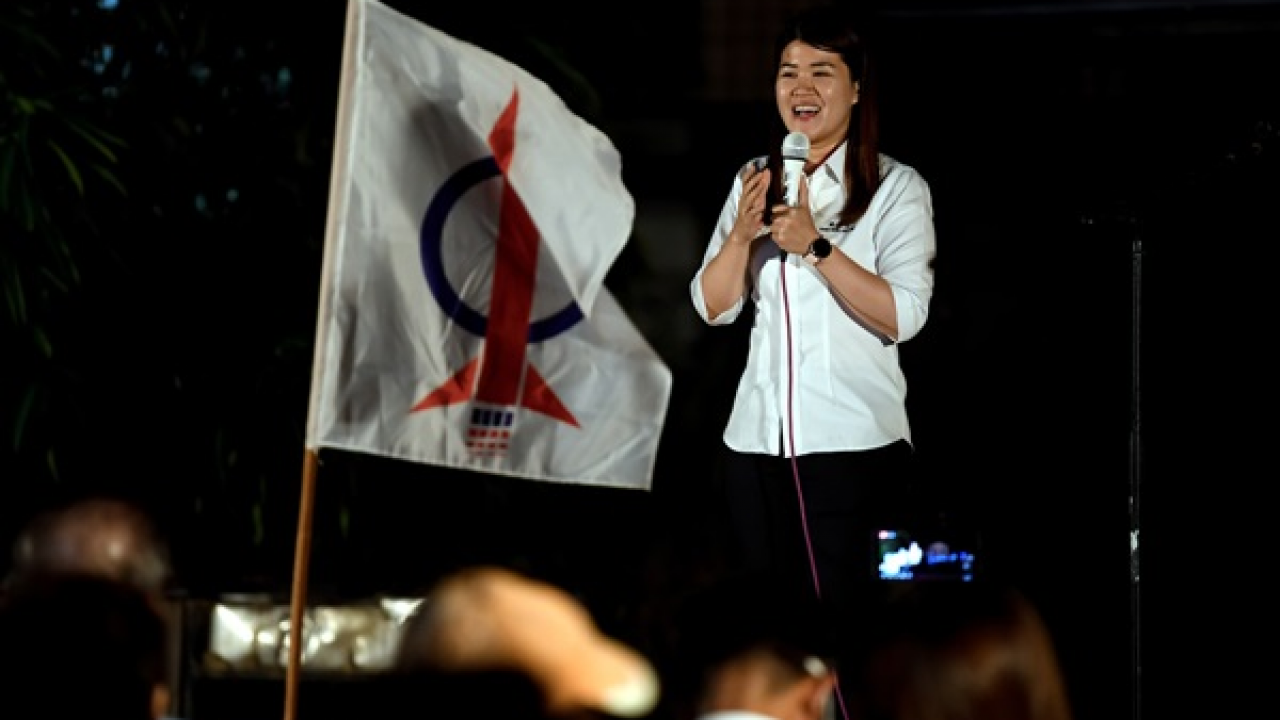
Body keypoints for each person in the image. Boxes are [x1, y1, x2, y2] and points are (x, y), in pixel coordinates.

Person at [689, 4, 937, 615]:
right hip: (755, 446)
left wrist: (817, 247)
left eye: (821, 73)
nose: (801, 87)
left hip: (854, 449)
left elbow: (905, 314)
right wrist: (740, 237)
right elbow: (713, 307)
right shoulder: (754, 178)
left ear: (855, 89)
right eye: (788, 72)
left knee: (849, 628)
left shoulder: (895, 187)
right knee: (771, 626)